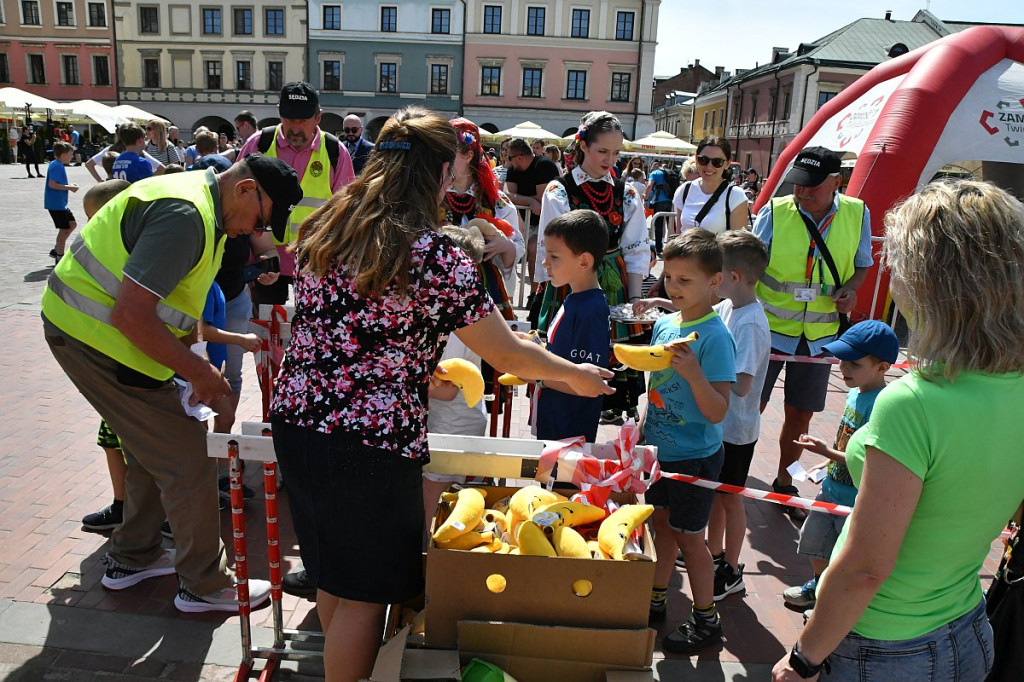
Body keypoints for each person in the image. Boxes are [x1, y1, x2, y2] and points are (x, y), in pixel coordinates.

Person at [268, 106, 613, 682]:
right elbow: (506, 353)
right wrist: (574, 374)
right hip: (368, 437)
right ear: (443, 170)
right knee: (364, 595)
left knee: (334, 576)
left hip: (300, 420)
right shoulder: (433, 254)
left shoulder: (330, 224)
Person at [771, 181, 1024, 681]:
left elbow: (865, 567)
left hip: (888, 644)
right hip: (967, 624)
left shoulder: (911, 403)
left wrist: (802, 658)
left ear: (929, 282)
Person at [42, 154, 303, 613]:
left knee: (154, 448)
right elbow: (131, 314)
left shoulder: (203, 211)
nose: (256, 231)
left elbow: (174, 309)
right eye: (261, 219)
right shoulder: (188, 215)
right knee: (188, 458)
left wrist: (194, 367)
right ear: (245, 190)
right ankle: (204, 583)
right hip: (95, 338)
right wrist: (199, 372)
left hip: (99, 337)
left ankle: (133, 557)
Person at [754, 146, 873, 523]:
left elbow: (862, 265)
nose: (802, 193)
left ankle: (783, 483)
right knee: (747, 406)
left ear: (837, 181)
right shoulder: (775, 212)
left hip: (819, 338)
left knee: (800, 413)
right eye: (798, 185)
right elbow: (748, 264)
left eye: (812, 187)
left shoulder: (857, 213)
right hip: (769, 331)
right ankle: (729, 472)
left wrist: (851, 292)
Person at [643, 229, 736, 654]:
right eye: (668, 277)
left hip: (695, 457)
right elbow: (656, 387)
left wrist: (695, 374)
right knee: (659, 526)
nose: (673, 287)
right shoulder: (664, 324)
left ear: (714, 282)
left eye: (685, 280)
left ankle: (706, 619)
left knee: (689, 540)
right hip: (658, 450)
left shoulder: (716, 337)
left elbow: (718, 411)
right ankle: (656, 597)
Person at [536, 111, 648, 426]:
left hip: (613, 283)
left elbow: (636, 246)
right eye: (603, 151)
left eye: (616, 152)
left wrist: (633, 302)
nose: (610, 159)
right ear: (583, 145)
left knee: (608, 352)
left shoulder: (626, 192)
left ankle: (604, 409)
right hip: (569, 282)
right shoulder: (559, 190)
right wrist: (551, 288)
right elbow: (550, 247)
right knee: (566, 349)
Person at [781, 320, 897, 616]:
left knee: (845, 556)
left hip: (854, 499)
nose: (844, 368)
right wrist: (826, 458)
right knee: (814, 542)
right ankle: (820, 587)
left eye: (854, 364)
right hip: (830, 489)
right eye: (842, 360)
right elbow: (847, 444)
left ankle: (832, 604)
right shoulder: (854, 392)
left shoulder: (884, 405)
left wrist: (828, 452)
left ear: (882, 367)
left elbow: (871, 460)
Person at [237, 81, 355, 309]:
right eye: (289, 120)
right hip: (266, 264)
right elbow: (236, 203)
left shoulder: (334, 151)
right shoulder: (258, 145)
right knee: (267, 334)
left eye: (303, 121)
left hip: (316, 266)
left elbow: (346, 213)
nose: (295, 128)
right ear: (280, 114)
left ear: (318, 118)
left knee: (314, 336)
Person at [704, 230, 771, 601]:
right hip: (719, 424)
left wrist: (703, 374)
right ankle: (714, 556)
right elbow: (703, 319)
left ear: (734, 277)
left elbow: (742, 386)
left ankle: (731, 568)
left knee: (730, 498)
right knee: (715, 494)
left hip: (737, 430)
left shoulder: (750, 322)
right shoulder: (729, 306)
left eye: (716, 272)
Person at [77, 180, 132, 532]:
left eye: (95, 218)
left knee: (133, 446)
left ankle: (142, 512)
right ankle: (123, 505)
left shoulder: (130, 250)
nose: (89, 227)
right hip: (113, 365)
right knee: (111, 441)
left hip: (132, 366)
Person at [534, 210, 611, 443]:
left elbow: (589, 382)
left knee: (561, 481)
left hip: (570, 433)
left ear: (584, 261)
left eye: (554, 257)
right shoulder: (576, 297)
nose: (545, 263)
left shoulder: (591, 310)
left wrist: (534, 373)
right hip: (556, 423)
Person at [503, 137, 560, 286]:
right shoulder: (513, 170)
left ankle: (535, 294)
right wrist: (529, 201)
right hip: (525, 221)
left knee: (534, 248)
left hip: (548, 222)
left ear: (519, 157)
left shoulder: (544, 166)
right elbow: (506, 195)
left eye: (509, 157)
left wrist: (521, 198)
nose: (507, 161)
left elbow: (543, 198)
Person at [673, 136, 749, 234]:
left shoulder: (735, 195)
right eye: (704, 160)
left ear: (727, 164)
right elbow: (676, 235)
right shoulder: (684, 190)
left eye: (717, 162)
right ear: (696, 159)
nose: (709, 167)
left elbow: (738, 245)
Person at [44, 141, 80, 261]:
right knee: (64, 229)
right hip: (56, 204)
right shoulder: (56, 166)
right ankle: (59, 256)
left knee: (72, 224)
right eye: (70, 154)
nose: (72, 157)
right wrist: (69, 187)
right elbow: (52, 184)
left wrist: (69, 185)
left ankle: (56, 250)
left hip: (60, 203)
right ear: (63, 154)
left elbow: (57, 183)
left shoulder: (57, 164)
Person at [645, 160, 676, 255]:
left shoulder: (654, 173)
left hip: (659, 202)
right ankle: (674, 248)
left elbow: (650, 185)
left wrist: (646, 199)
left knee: (658, 225)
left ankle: (659, 248)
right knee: (671, 226)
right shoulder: (670, 173)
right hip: (670, 200)